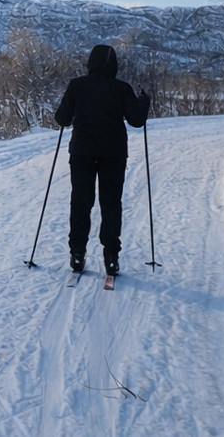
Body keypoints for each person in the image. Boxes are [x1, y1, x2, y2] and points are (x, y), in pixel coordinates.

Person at [53, 44, 150, 276]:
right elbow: (137, 121)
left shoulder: (77, 85)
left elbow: (62, 119)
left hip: (82, 152)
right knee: (111, 203)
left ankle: (77, 253)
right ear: (114, 65)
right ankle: (111, 257)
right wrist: (144, 102)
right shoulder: (122, 88)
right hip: (113, 153)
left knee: (80, 202)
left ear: (90, 63)